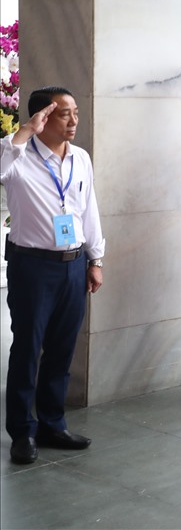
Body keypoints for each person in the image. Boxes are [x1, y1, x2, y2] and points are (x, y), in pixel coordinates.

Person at [2, 86, 105, 465]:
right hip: (33, 267)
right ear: (41, 117)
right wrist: (25, 132)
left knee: (62, 348)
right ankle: (21, 432)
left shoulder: (80, 158)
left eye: (75, 112)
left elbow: (87, 210)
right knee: (28, 348)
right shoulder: (17, 158)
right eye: (64, 114)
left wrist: (96, 258)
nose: (74, 120)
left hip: (73, 265)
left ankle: (52, 423)